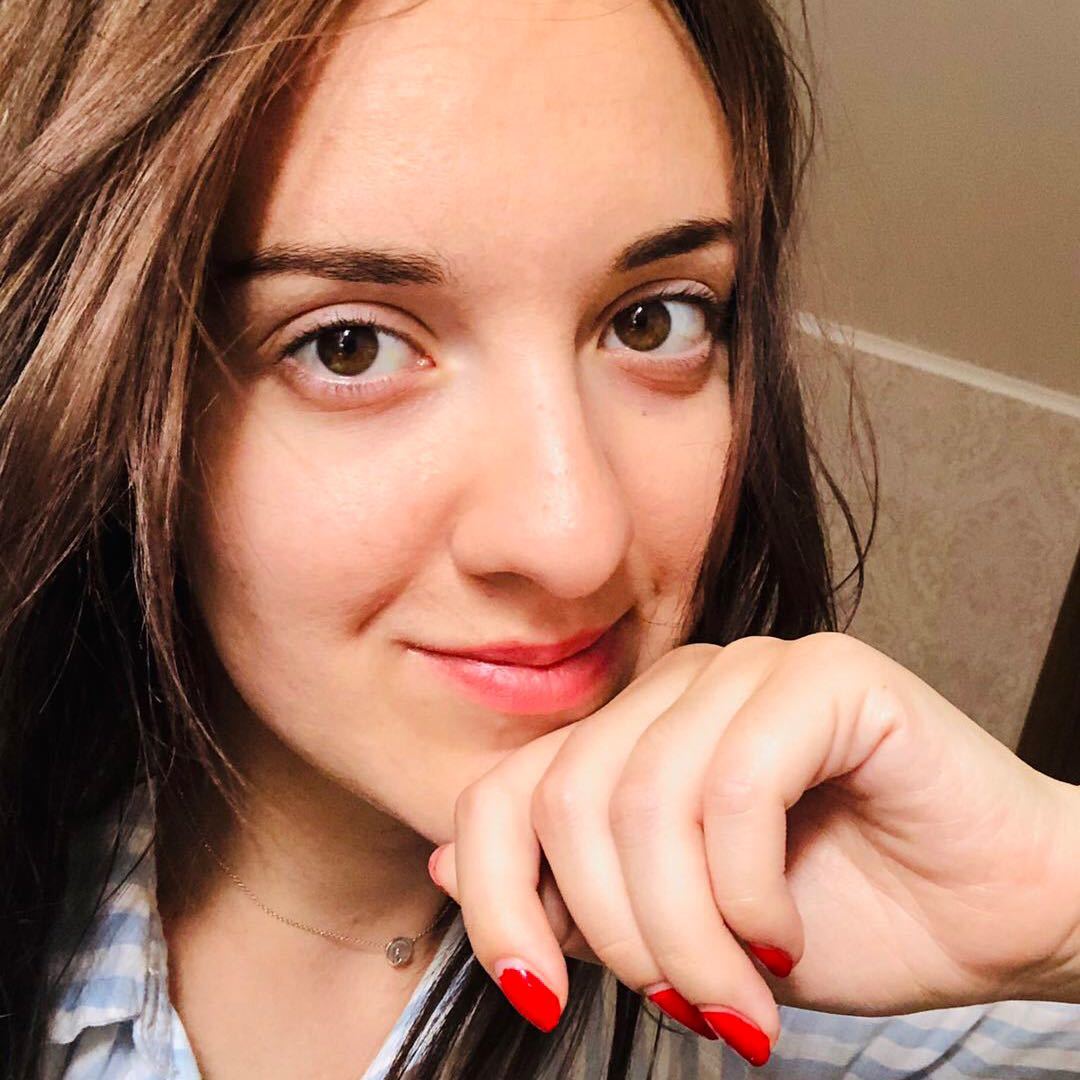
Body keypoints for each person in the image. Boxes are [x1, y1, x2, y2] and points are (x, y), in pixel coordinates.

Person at [1, 0, 1077, 1077]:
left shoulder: (845, 948)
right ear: (115, 393)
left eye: (653, 320)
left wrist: (1057, 904)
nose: (576, 540)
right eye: (349, 345)